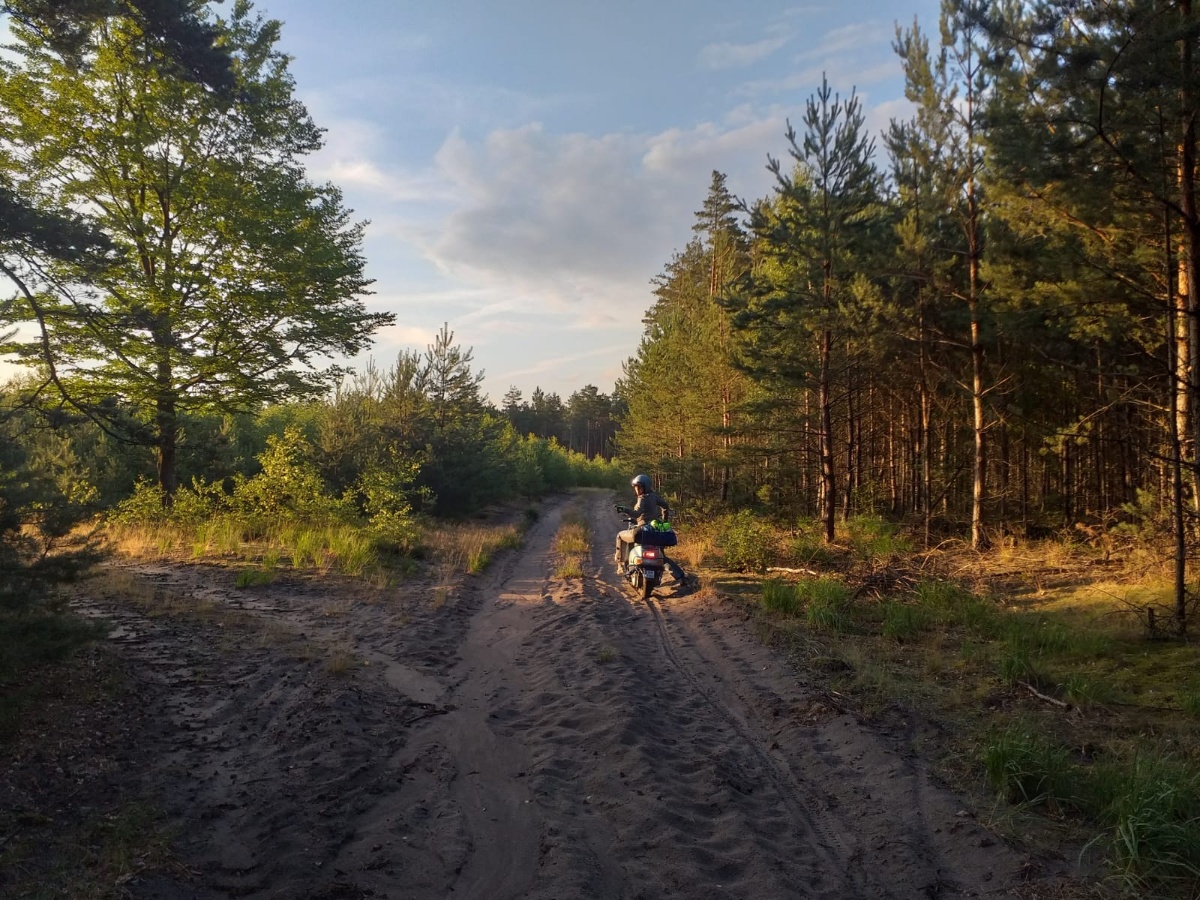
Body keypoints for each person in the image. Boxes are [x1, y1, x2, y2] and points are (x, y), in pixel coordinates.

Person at [615, 474, 687, 584]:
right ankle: (681, 577)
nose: (636, 489)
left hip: (643, 530)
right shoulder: (654, 496)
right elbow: (665, 506)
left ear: (645, 487)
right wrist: (665, 520)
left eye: (639, 487)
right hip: (655, 530)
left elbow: (636, 513)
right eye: (635, 487)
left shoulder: (642, 499)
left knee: (620, 535)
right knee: (662, 558)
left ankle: (621, 565)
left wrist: (624, 509)